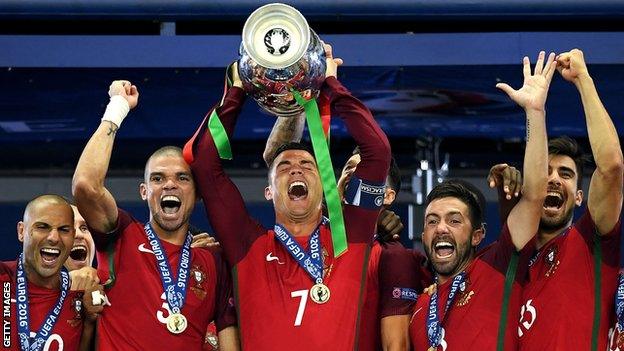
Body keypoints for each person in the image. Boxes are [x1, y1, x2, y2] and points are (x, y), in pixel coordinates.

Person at [184, 43, 391, 349]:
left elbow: (377, 152)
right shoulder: (246, 244)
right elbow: (204, 162)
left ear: (323, 186)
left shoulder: (350, 235)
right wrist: (237, 89)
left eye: (307, 165)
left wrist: (331, 84)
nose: (296, 170)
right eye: (284, 167)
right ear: (268, 191)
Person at [72, 80, 239, 350]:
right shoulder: (120, 235)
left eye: (182, 178)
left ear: (196, 194)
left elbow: (228, 336)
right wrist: (117, 108)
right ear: (144, 191)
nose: (169, 185)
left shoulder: (214, 259)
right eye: (158, 178)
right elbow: (85, 186)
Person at [409, 51, 553, 350]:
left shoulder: (497, 267)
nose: (441, 228)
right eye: (432, 221)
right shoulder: (420, 307)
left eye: (454, 220)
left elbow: (535, 196)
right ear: (423, 236)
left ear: (478, 235)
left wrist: (535, 113)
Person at [493, 49, 623, 351]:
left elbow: (612, 167)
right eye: (547, 171)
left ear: (579, 196)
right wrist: (534, 113)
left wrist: (583, 80)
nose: (553, 179)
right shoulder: (505, 260)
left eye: (565, 174)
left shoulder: (592, 244)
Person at [0, 195, 84, 350]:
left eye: (64, 230)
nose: (54, 238)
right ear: (21, 231)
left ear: (73, 237)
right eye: (42, 227)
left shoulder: (81, 297)